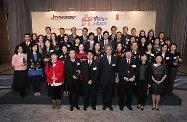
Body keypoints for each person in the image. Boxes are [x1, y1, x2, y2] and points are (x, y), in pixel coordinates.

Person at [100, 45, 118, 111]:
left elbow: (116, 69)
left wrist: (116, 77)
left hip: (111, 79)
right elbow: (100, 69)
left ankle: (109, 105)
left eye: (110, 49)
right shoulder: (102, 59)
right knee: (104, 93)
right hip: (104, 79)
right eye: (107, 49)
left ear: (111, 50)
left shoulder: (115, 58)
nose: (108, 51)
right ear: (105, 51)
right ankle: (104, 104)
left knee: (110, 93)